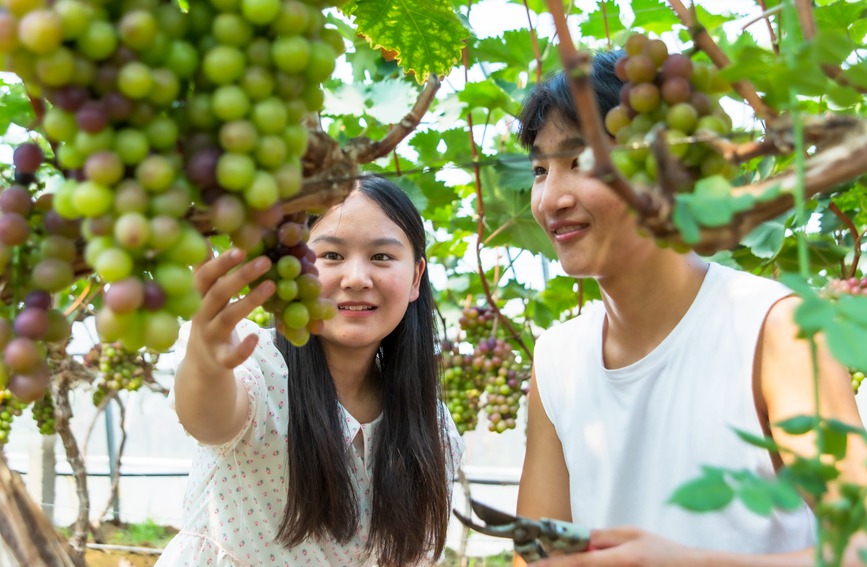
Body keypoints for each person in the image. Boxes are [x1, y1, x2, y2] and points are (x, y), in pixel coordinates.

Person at [514, 52, 867, 565]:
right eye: (540, 170)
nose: (551, 198)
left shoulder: (774, 328)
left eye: (581, 162)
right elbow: (536, 552)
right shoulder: (556, 357)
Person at [156, 176, 464, 566]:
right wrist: (207, 360)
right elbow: (209, 419)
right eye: (331, 256)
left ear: (416, 277)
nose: (356, 279)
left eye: (382, 257)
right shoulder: (260, 369)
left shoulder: (431, 426)